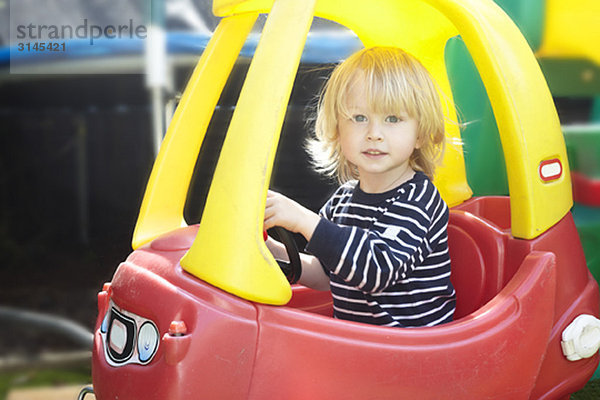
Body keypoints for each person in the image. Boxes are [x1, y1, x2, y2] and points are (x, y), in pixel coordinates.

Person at [264, 46, 455, 328]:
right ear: (338, 129)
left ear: (420, 134)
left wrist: (305, 221)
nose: (374, 134)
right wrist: (270, 248)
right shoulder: (342, 202)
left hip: (413, 353)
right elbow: (328, 276)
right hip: (360, 347)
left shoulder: (419, 201)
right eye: (359, 118)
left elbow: (377, 270)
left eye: (392, 119)